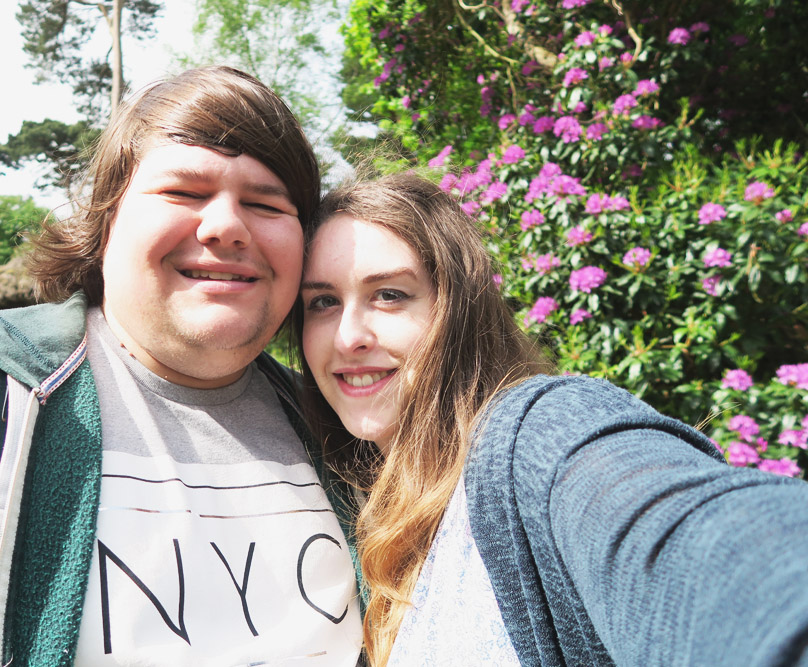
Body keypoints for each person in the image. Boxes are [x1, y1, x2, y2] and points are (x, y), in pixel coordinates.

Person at [0, 67, 363, 666]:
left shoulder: (341, 430)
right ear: (105, 225)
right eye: (183, 192)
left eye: (265, 203)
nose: (226, 226)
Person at [294, 172, 808, 666]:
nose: (347, 337)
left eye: (389, 295)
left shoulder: (537, 435)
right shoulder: (351, 507)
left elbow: (700, 550)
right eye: (322, 302)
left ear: (458, 313)